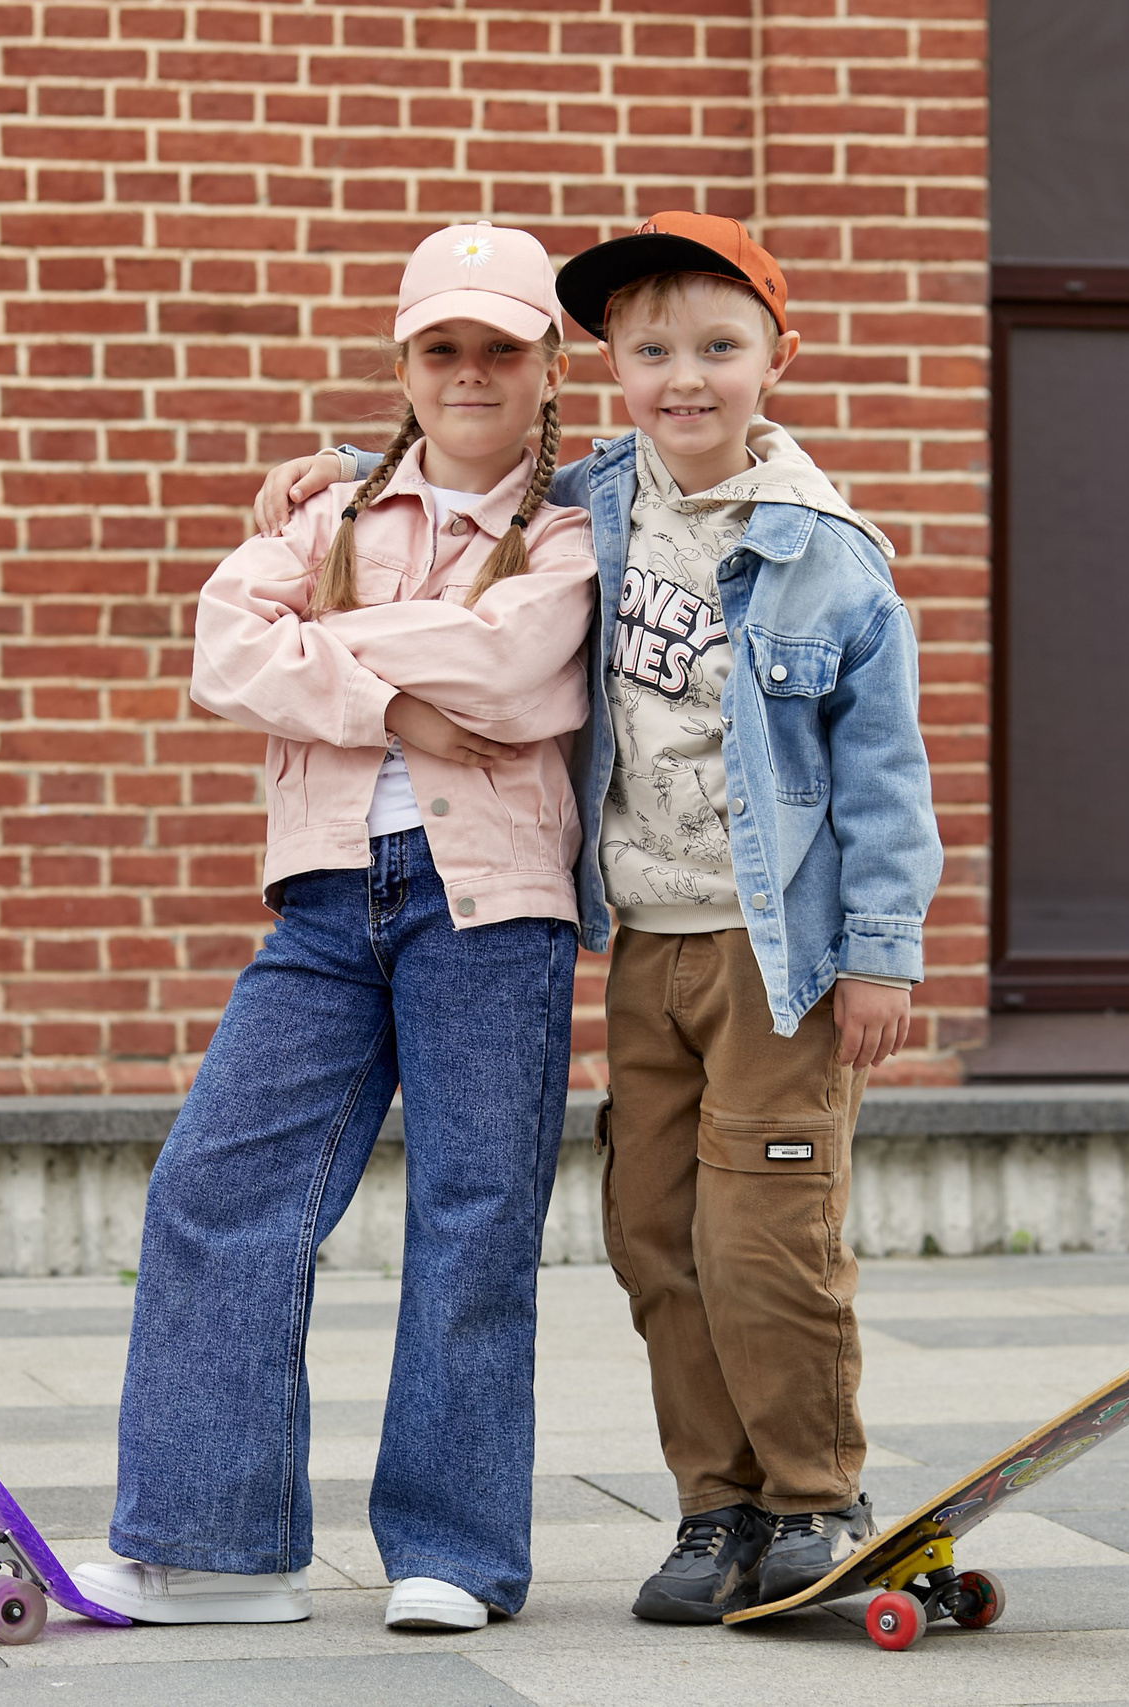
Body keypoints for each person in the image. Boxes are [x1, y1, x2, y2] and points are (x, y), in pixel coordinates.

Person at [252, 213, 943, 1623]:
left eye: (718, 348)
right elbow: (461, 465)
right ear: (612, 367)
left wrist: (882, 954)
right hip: (643, 943)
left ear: (777, 358)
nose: (684, 378)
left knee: (765, 1234)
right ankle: (717, 1508)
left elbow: (884, 776)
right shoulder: (601, 501)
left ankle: (817, 1497)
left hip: (778, 958)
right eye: (651, 351)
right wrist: (334, 464)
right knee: (653, 1233)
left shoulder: (827, 554)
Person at [77, 223, 599, 1635]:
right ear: (404, 364)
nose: (472, 372)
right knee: (213, 1188)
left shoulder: (570, 533)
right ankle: (211, 1549)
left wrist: (323, 653)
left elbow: (512, 668)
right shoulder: (330, 513)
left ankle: (454, 1555)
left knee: (474, 1219)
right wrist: (396, 706)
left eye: (503, 349)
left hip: (490, 909)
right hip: (322, 900)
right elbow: (221, 648)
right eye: (444, 348)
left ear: (552, 369)